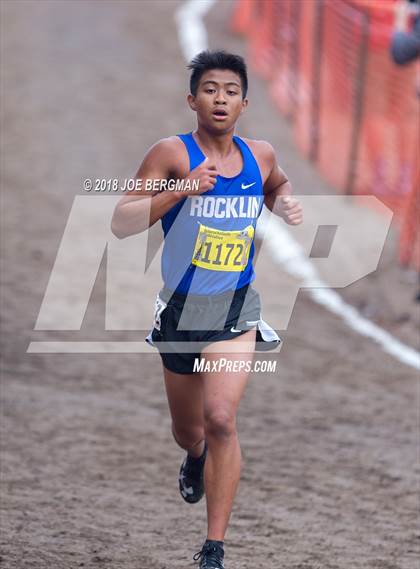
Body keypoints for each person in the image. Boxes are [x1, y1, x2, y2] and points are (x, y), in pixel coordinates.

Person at [111, 50, 303, 569]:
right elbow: (122, 221)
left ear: (245, 101)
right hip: (179, 312)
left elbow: (277, 183)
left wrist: (282, 201)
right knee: (190, 431)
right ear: (192, 99)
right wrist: (180, 190)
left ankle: (213, 549)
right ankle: (194, 459)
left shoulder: (259, 155)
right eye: (211, 90)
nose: (221, 98)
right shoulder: (171, 153)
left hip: (235, 309)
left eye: (231, 90)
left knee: (221, 419)